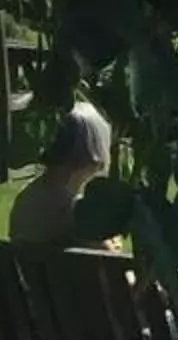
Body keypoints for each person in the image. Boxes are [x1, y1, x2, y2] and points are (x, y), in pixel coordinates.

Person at [7, 101, 115, 249]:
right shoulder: (76, 212)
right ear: (92, 156)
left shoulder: (26, 199)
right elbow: (106, 257)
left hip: (29, 272)